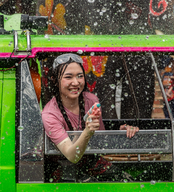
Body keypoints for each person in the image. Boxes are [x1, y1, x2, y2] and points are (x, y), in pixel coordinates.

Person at [42, 53, 139, 182]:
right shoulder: (50, 114)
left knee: (127, 182)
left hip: (90, 162)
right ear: (55, 80)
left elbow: (100, 142)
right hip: (62, 170)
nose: (75, 82)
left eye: (80, 76)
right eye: (68, 77)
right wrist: (87, 132)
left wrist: (121, 131)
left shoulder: (91, 100)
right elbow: (72, 156)